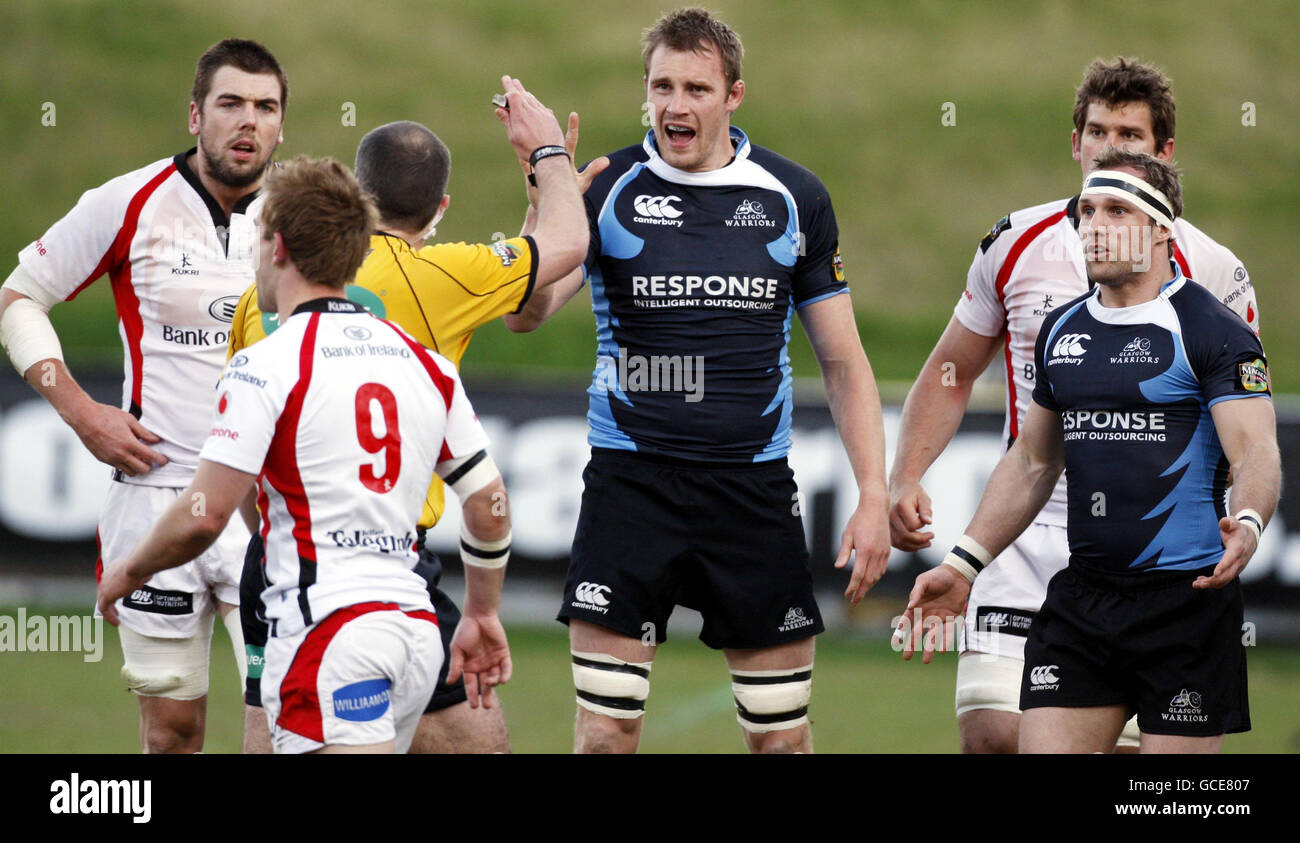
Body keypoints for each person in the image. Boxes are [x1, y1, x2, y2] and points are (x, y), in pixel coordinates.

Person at [508, 7, 891, 754]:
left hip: (750, 494)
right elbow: (525, 315)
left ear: (733, 96)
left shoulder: (793, 195)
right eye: (661, 86)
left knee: (781, 740)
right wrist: (543, 204)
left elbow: (843, 362)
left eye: (695, 88)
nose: (675, 106)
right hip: (631, 489)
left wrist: (873, 491)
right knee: (605, 737)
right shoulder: (606, 184)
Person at [888, 58, 1260, 754]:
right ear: (1074, 142)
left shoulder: (1213, 276)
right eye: (1096, 132)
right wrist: (908, 478)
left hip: (1161, 566)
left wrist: (1242, 515)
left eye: (1129, 135)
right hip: (1026, 546)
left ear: (1164, 155)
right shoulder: (1017, 246)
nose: (1109, 150)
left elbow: (1248, 429)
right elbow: (956, 376)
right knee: (995, 734)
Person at [98, 155, 518, 753]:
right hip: (416, 631)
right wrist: (481, 612)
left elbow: (206, 514)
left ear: (277, 247)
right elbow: (490, 500)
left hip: (330, 634)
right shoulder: (424, 363)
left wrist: (128, 572)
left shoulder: (265, 365)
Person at [228, 76, 590, 753]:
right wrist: (550, 162)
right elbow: (568, 245)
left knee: (278, 735)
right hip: (387, 558)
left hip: (283, 556)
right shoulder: (444, 274)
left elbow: (240, 469)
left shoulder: (268, 289)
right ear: (441, 207)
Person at [0, 39, 288, 753]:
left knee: (281, 726)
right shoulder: (127, 201)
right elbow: (17, 301)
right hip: (154, 492)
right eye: (230, 104)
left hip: (270, 507)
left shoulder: (305, 217)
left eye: (265, 107)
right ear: (196, 115)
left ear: (282, 124)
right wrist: (82, 411)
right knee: (171, 732)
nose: (247, 122)